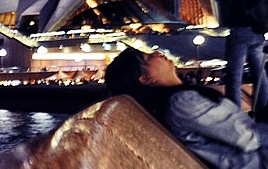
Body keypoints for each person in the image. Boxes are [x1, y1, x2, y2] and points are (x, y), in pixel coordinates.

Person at [105, 48, 268, 168]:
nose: (156, 52)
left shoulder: (178, 99)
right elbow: (247, 139)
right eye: (147, 57)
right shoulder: (181, 103)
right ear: (146, 79)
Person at [208, 0, 268, 111]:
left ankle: (234, 112)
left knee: (234, 74)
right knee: (259, 74)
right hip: (258, 32)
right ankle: (263, 109)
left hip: (242, 31)